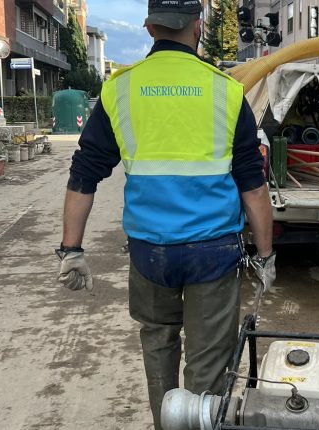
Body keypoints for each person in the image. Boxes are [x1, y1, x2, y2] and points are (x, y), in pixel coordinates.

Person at [55, 1, 275, 428]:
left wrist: (71, 249)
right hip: (212, 251)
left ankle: (165, 422)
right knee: (208, 360)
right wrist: (265, 255)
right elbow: (253, 184)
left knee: (158, 343)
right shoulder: (225, 90)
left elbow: (83, 175)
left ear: (151, 27)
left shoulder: (121, 89)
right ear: (198, 26)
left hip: (149, 252)